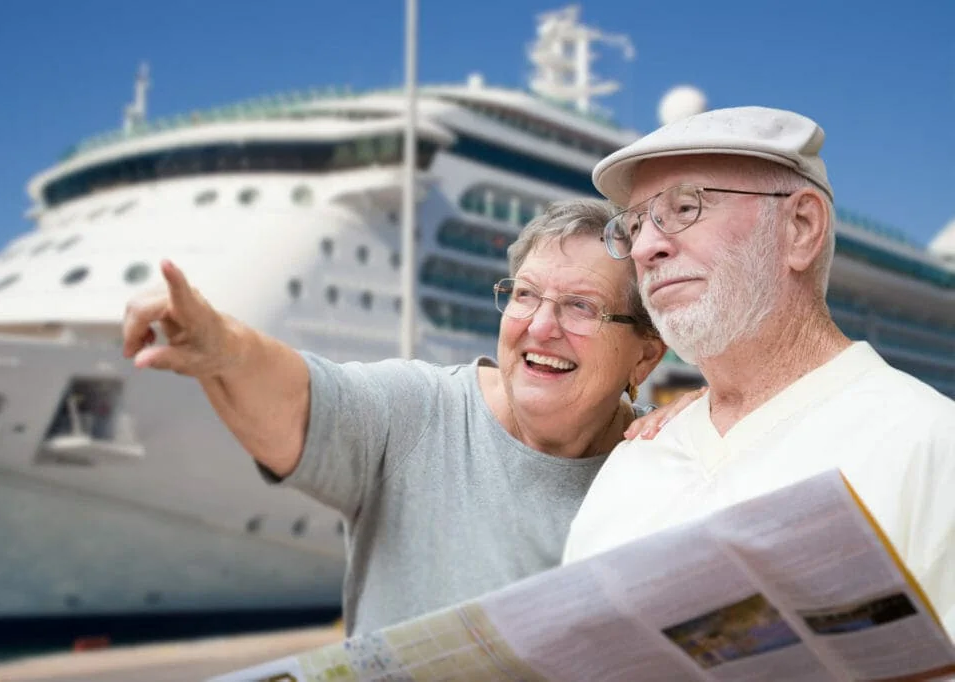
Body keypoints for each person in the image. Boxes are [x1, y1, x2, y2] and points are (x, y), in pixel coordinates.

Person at [122, 199, 694, 635]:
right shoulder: (419, 413)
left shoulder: (671, 456)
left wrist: (721, 418)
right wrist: (224, 349)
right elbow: (303, 402)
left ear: (646, 353)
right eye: (524, 296)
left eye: (580, 306)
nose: (541, 327)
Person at [562, 106, 955, 634]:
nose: (646, 247)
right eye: (633, 226)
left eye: (685, 207)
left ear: (800, 227)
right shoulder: (637, 459)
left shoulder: (930, 443)